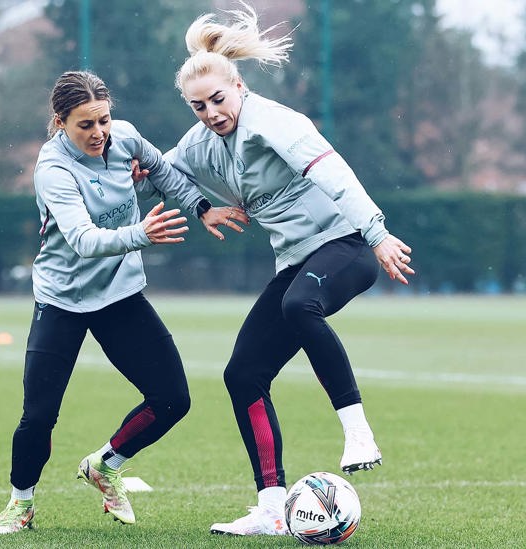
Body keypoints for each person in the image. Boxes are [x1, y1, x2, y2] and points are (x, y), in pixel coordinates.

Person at [159, 5, 415, 536]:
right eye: (197, 106)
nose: (210, 112)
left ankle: (358, 431)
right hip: (298, 259)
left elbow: (338, 176)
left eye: (218, 99)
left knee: (300, 306)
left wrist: (379, 233)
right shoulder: (202, 141)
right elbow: (161, 171)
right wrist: (124, 161)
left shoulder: (274, 121)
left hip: (347, 244)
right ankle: (272, 509)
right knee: (242, 376)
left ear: (238, 85)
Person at [0, 71, 242, 535]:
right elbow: (84, 240)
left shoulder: (124, 139)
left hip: (120, 295)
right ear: (60, 121)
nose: (99, 133)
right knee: (40, 414)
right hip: (61, 300)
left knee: (173, 399)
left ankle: (105, 464)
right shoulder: (53, 170)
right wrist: (140, 234)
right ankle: (20, 502)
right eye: (85, 124)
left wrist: (203, 208)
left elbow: (164, 173)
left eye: (104, 119)